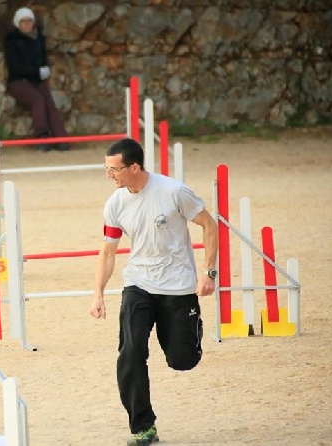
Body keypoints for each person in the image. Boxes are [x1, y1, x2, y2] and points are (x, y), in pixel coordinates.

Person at [89, 138, 218, 445]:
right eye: (105, 169)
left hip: (178, 286)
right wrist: (98, 295)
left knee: (181, 359)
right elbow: (107, 253)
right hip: (139, 285)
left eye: (114, 169)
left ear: (134, 167)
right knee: (131, 353)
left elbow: (209, 225)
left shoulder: (173, 192)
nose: (109, 175)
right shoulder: (115, 204)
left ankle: (189, 335)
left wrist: (209, 272)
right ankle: (142, 426)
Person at [4, 7, 69, 152]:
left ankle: (62, 138)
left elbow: (42, 59)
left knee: (48, 101)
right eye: (23, 22)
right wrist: (36, 71)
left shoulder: (38, 38)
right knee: (37, 99)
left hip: (36, 80)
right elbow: (14, 67)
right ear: (18, 23)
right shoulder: (12, 40)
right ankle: (42, 137)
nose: (27, 25)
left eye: (29, 21)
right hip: (18, 81)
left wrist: (44, 69)